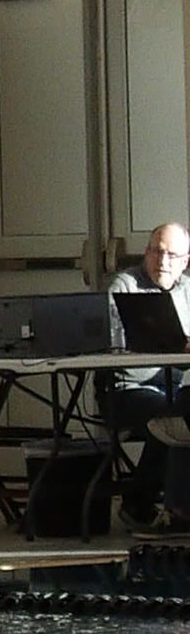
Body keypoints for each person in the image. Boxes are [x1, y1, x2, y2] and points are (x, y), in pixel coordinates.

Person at [108, 222, 190, 529]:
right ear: (146, 252)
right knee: (173, 418)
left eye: (172, 255)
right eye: (157, 251)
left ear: (186, 260)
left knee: (180, 410)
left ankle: (178, 506)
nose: (163, 261)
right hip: (127, 388)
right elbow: (114, 348)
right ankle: (142, 504)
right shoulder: (125, 287)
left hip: (176, 389)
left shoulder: (189, 290)